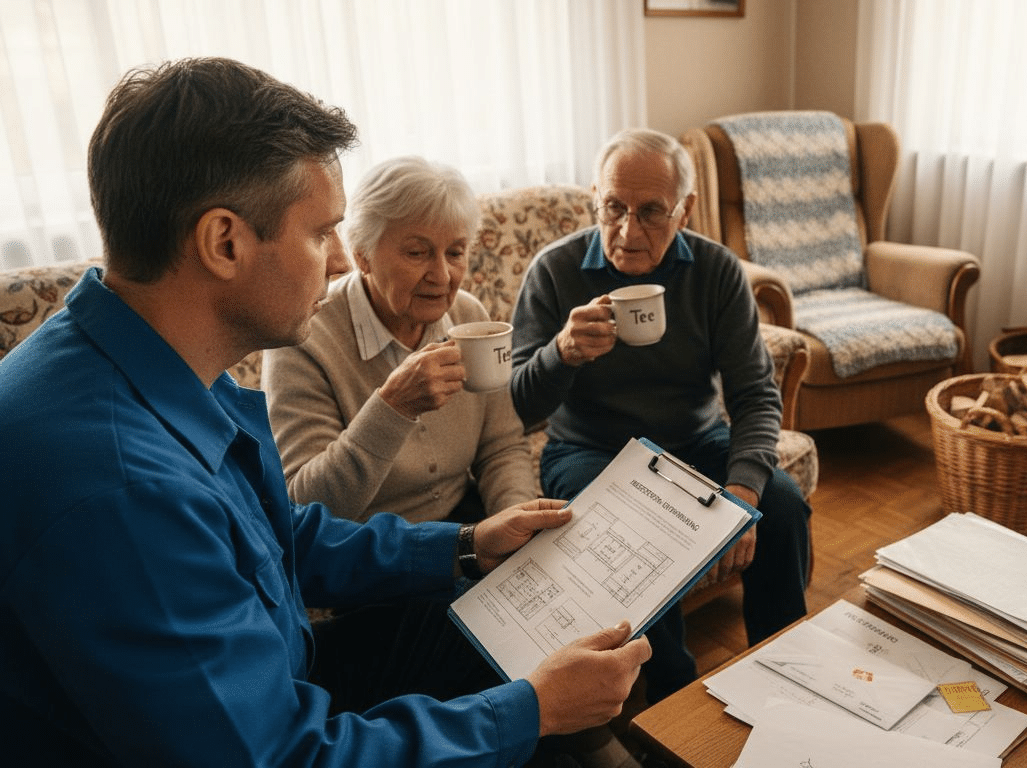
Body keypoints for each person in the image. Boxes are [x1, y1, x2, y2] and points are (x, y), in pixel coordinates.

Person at [0, 57, 650, 766]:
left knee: (499, 637)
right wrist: (531, 712)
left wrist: (463, 545)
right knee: (535, 709)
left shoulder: (147, 355)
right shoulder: (124, 489)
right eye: (320, 234)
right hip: (264, 727)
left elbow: (277, 534)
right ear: (225, 242)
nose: (341, 262)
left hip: (271, 671)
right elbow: (279, 756)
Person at [511, 128, 811, 704]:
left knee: (782, 505)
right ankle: (673, 698)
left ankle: (785, 675)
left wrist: (743, 491)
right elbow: (517, 413)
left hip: (696, 442)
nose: (628, 230)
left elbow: (755, 394)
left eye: (651, 212)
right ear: (593, 198)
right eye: (614, 208)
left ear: (685, 209)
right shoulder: (555, 271)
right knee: (634, 532)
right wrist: (562, 354)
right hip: (590, 451)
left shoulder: (716, 272)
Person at [263, 155, 536, 525]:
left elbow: (501, 447)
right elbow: (307, 506)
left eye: (455, 252)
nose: (441, 275)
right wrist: (393, 408)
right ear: (363, 256)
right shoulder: (304, 337)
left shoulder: (469, 319)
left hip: (467, 527)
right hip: (369, 549)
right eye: (417, 252)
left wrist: (516, 524)